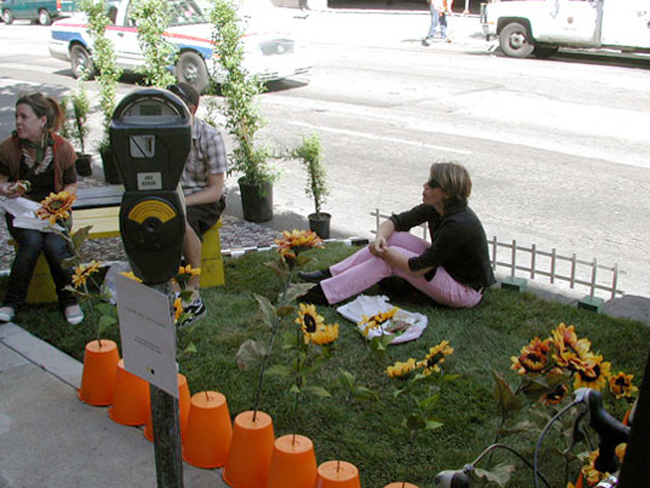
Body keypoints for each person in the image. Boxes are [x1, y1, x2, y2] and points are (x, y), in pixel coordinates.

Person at [299, 162, 495, 308]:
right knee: (394, 238)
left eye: (432, 183)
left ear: (447, 193)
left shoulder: (458, 224)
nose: (425, 186)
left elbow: (418, 268)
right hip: (445, 267)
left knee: (389, 259)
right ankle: (332, 274)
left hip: (464, 291)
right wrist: (379, 240)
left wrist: (384, 253)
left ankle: (325, 293)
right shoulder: (438, 208)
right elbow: (395, 222)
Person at [0, 92, 84, 325]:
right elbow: (1, 179)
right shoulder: (9, 147)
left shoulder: (61, 148)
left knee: (55, 246)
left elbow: (72, 183)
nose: (18, 122)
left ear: (42, 121)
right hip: (22, 213)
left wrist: (60, 203)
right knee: (32, 242)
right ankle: (12, 302)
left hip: (54, 213)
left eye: (24, 117)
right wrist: (6, 188)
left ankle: (69, 301)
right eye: (17, 116)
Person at [168, 83, 228, 325]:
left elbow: (215, 191)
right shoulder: (163, 134)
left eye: (175, 107)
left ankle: (193, 290)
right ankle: (169, 285)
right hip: (174, 196)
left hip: (203, 199)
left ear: (191, 109)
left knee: (180, 220)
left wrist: (179, 202)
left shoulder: (209, 136)